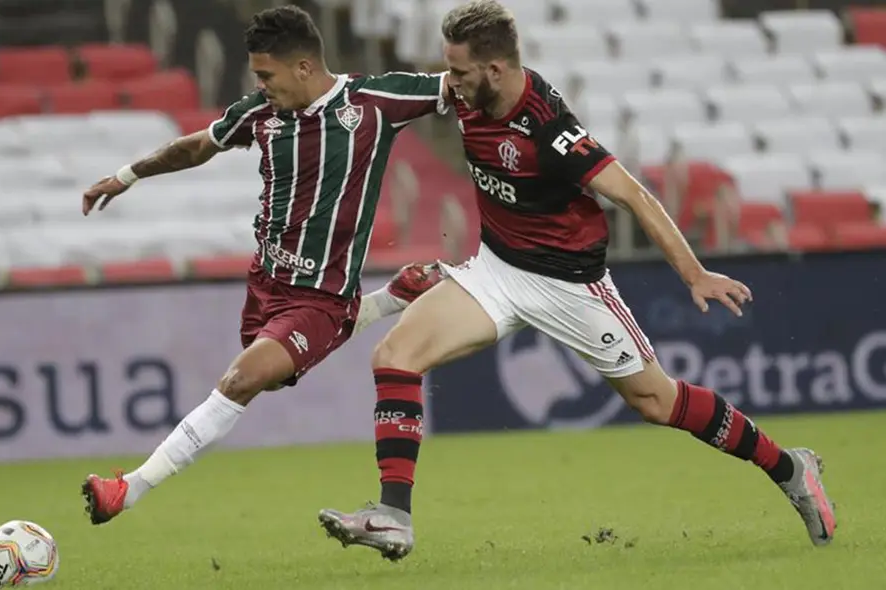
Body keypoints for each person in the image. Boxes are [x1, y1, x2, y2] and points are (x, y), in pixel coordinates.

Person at [316, 0, 836, 561]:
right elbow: (389, 93)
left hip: (569, 286)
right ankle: (393, 516)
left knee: (657, 403)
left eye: (461, 72)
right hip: (497, 269)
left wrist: (694, 272)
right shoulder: (466, 92)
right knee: (394, 356)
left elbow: (632, 194)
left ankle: (790, 468)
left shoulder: (549, 130)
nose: (451, 83)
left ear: (494, 70)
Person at [79, 4, 452, 525]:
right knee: (269, 378)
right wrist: (126, 175)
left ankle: (129, 488)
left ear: (303, 67)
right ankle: (386, 300)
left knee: (241, 381)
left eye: (265, 74)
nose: (260, 84)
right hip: (266, 283)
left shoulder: (372, 101)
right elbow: (197, 147)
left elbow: (459, 85)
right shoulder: (261, 112)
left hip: (321, 298)